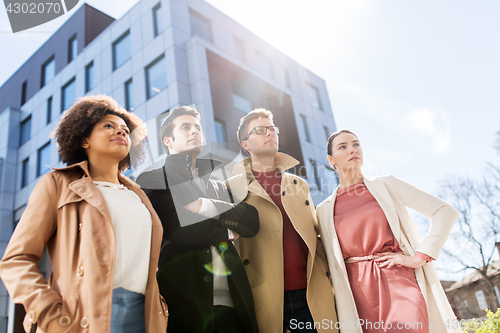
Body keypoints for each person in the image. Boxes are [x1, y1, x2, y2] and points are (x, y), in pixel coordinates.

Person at [0, 95, 168, 333]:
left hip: (143, 314)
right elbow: (17, 260)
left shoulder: (138, 195)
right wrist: (48, 311)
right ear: (84, 140)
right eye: (108, 126)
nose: (121, 132)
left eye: (125, 130)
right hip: (82, 316)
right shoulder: (58, 184)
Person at [316, 129, 461, 333]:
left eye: (356, 144)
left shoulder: (387, 184)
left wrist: (420, 257)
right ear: (332, 160)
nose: (352, 149)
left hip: (398, 280)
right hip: (355, 294)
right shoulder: (323, 210)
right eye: (343, 146)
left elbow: (445, 211)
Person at [136, 106, 260, 333]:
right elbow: (176, 226)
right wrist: (228, 231)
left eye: (197, 127)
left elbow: (251, 221)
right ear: (169, 141)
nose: (195, 131)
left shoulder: (218, 186)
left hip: (234, 306)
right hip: (184, 306)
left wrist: (205, 205)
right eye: (186, 127)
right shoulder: (152, 179)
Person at [227, 109, 338, 333]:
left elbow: (316, 236)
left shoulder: (299, 185)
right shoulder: (231, 188)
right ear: (246, 144)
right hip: (264, 297)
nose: (269, 133)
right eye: (259, 130)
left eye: (272, 129)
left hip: (312, 293)